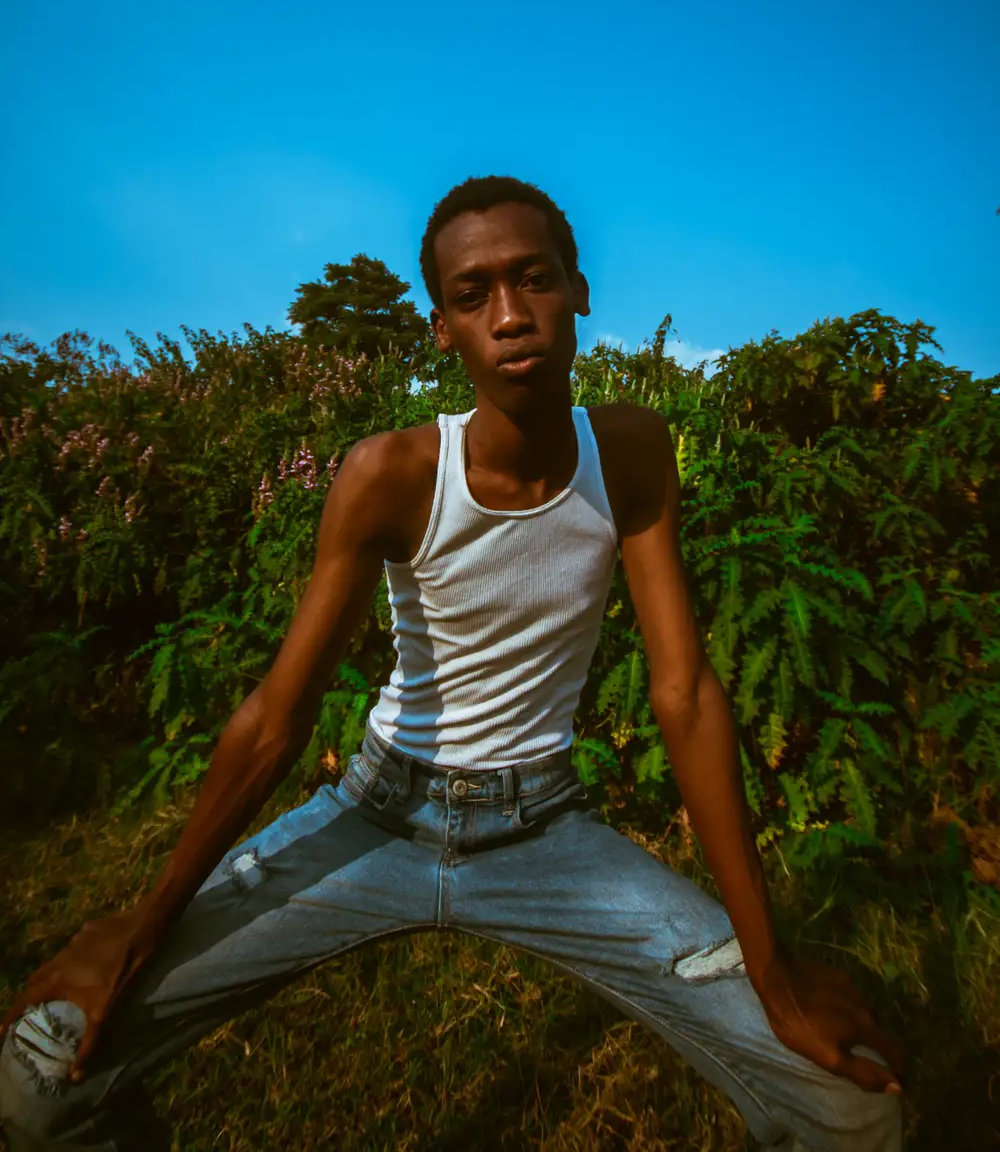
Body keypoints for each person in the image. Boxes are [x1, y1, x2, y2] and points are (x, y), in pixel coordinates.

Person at [0, 175, 905, 1151]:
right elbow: (279, 715)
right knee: (39, 1076)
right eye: (472, 297)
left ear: (579, 290)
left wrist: (769, 969)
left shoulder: (633, 451)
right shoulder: (390, 474)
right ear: (440, 328)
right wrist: (144, 927)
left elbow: (682, 692)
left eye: (534, 280)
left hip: (544, 833)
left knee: (851, 1107)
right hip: (373, 816)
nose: (510, 316)